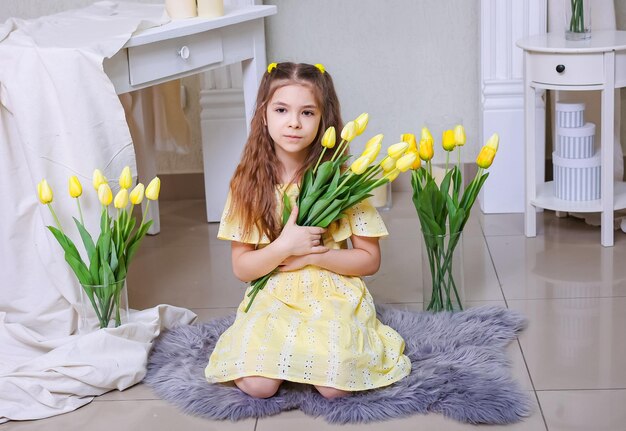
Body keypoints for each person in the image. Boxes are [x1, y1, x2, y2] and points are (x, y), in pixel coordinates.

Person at [204, 62, 411, 399]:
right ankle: (285, 358)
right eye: (282, 109)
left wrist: (315, 255)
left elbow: (369, 259)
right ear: (264, 114)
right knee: (258, 386)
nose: (294, 122)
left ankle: (307, 360)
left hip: (331, 289)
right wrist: (285, 246)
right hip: (275, 287)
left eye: (307, 113)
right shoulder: (248, 185)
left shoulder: (344, 182)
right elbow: (243, 269)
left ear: (324, 119)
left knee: (334, 387)